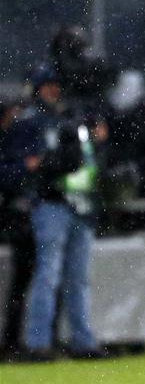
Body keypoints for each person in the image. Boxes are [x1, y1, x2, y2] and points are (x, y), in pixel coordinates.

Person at [16, 66, 107, 360]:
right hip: (52, 203)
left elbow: (52, 162)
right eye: (48, 86)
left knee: (76, 278)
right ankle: (38, 342)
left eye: (57, 85)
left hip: (79, 203)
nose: (54, 91)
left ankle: (81, 341)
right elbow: (29, 164)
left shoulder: (71, 118)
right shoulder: (34, 121)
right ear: (38, 89)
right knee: (49, 275)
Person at [0, 101, 40, 358]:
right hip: (12, 216)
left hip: (17, 217)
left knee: (22, 282)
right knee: (20, 283)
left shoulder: (14, 141)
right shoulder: (10, 145)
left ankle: (14, 340)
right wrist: (24, 167)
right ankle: (12, 340)